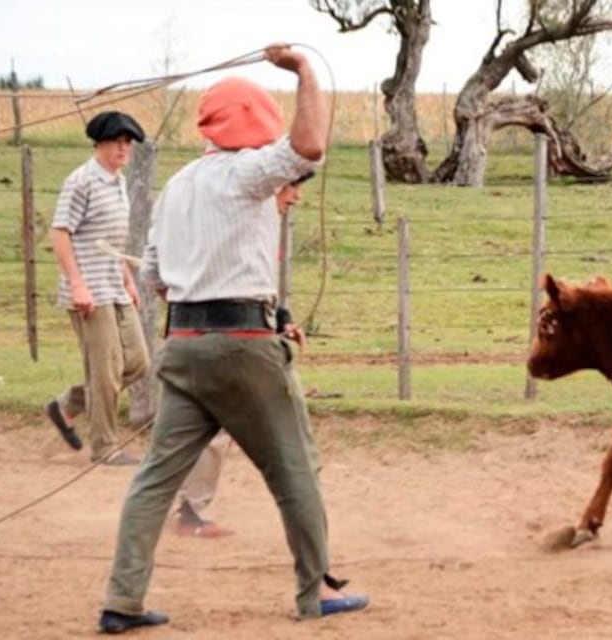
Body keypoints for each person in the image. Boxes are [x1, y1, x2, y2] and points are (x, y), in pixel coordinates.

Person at [97, 44, 368, 634]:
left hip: (184, 347)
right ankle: (315, 589)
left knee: (154, 480)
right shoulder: (248, 172)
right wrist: (303, 70)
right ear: (254, 124)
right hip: (244, 347)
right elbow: (311, 145)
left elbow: (156, 276)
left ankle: (122, 599)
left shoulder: (176, 188)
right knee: (295, 467)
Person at [172, 171, 315, 539]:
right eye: (291, 187)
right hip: (224, 340)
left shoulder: (258, 228)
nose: (295, 197)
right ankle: (190, 511)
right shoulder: (240, 225)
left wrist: (279, 320)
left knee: (206, 428)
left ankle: (183, 509)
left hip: (232, 338)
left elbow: (258, 289)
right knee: (228, 427)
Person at [45, 111, 149, 466]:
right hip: (89, 290)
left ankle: (68, 405)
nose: (123, 149)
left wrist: (126, 278)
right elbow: (60, 233)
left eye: (127, 143)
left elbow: (110, 239)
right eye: (116, 142)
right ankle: (105, 446)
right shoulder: (81, 181)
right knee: (105, 369)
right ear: (99, 144)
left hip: (114, 284)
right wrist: (77, 284)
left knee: (137, 361)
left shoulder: (118, 181)